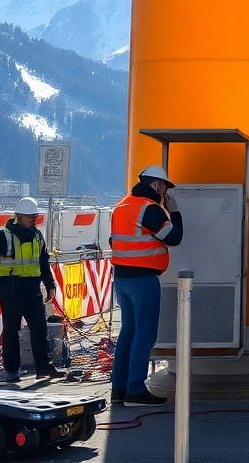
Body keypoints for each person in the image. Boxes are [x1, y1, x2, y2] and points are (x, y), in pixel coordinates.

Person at [0, 197, 61, 383]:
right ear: (19, 216)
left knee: (39, 328)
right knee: (11, 331)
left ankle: (43, 366)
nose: (33, 219)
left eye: (35, 216)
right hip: (11, 290)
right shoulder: (5, 235)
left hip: (32, 290)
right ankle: (12, 369)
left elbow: (43, 263)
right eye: (29, 217)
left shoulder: (37, 236)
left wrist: (50, 285)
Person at [110, 164, 184, 407]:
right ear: (157, 185)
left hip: (122, 278)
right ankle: (135, 390)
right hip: (143, 279)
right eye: (164, 188)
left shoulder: (122, 206)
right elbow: (174, 238)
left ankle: (119, 388)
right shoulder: (150, 209)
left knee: (128, 333)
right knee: (145, 334)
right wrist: (174, 212)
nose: (165, 193)